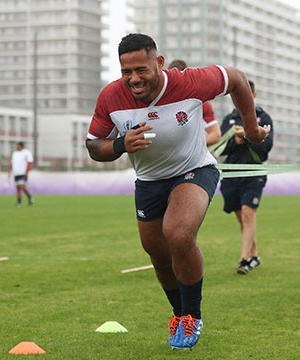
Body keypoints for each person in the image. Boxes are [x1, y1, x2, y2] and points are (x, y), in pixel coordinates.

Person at [85, 33, 270, 350]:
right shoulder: (111, 97)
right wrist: (119, 144)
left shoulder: (190, 82)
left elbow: (237, 79)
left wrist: (252, 130)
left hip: (194, 170)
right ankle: (178, 313)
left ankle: (192, 316)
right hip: (148, 181)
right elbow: (93, 146)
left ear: (158, 62)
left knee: (179, 234)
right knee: (157, 253)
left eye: (141, 69)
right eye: (126, 71)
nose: (134, 78)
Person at [219, 80, 274, 274]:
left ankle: (244, 260)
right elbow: (220, 148)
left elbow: (266, 149)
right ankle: (255, 255)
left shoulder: (263, 118)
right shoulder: (229, 119)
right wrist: (234, 139)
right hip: (231, 175)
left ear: (254, 96)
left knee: (248, 213)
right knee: (242, 218)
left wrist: (250, 135)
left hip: (254, 174)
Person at [167, 59, 222, 146]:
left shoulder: (201, 104)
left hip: (193, 158)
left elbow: (215, 135)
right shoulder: (161, 102)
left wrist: (190, 147)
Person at [9, 142, 34, 207]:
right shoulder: (15, 153)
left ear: (21, 146)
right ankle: (19, 202)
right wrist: (9, 172)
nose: (16, 147)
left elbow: (30, 163)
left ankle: (29, 197)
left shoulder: (26, 152)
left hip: (23, 173)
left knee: (22, 187)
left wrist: (26, 172)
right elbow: (12, 163)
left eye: (17, 145)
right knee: (18, 188)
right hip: (16, 173)